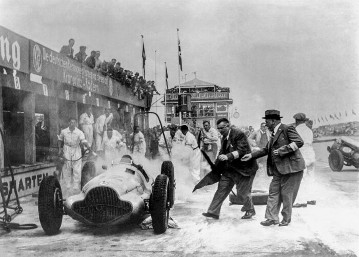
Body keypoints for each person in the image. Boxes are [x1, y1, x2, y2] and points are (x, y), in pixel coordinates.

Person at [241, 110, 305, 226]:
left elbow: (299, 142)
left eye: (266, 121)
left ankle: (286, 219)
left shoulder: (286, 128)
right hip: (278, 170)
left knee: (287, 194)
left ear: (273, 121)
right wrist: (251, 155)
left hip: (291, 169)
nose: (265, 124)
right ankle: (271, 218)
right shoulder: (272, 133)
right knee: (273, 192)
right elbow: (266, 150)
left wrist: (282, 150)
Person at [202, 118, 258, 220]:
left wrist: (227, 156)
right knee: (222, 188)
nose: (220, 130)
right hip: (231, 169)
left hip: (244, 169)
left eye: (222, 128)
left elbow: (242, 150)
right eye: (218, 128)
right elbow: (222, 152)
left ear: (228, 125)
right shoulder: (224, 136)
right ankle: (213, 212)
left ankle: (250, 210)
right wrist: (215, 165)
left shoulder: (238, 134)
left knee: (242, 192)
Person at [58, 118, 90, 197]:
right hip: (67, 149)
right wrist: (60, 149)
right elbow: (60, 139)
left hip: (76, 150)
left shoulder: (79, 132)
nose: (72, 124)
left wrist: (87, 145)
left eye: (74, 123)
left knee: (77, 169)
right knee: (66, 168)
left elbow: (83, 140)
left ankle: (76, 189)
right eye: (71, 122)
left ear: (76, 124)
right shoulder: (64, 131)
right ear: (69, 123)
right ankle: (68, 187)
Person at [292, 113, 316, 208]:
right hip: (311, 154)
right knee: (310, 178)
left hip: (303, 155)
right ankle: (311, 198)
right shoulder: (309, 130)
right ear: (304, 120)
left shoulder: (296, 130)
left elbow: (295, 144)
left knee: (300, 178)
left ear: (296, 121)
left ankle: (301, 201)